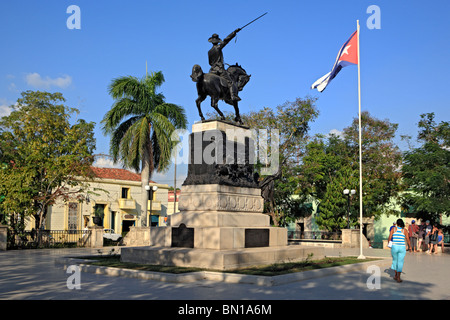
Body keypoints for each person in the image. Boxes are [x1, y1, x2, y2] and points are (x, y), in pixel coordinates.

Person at [207, 29, 241, 101]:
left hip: (212, 70)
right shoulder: (218, 48)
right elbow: (226, 40)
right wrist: (234, 32)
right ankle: (233, 96)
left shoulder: (209, 52)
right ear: (217, 41)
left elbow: (210, 63)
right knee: (230, 82)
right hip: (219, 69)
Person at [388, 218, 411, 283]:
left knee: (395, 261)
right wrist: (410, 247)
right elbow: (408, 239)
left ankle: (395, 275)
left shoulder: (393, 229)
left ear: (397, 224)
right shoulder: (405, 230)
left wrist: (389, 244)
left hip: (394, 247)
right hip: (402, 247)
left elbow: (389, 237)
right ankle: (398, 277)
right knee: (400, 262)